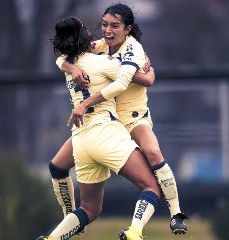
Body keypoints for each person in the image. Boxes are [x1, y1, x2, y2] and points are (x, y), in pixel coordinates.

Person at [53, 3, 188, 235]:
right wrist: (70, 67)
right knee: (57, 167)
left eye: (114, 26)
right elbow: (69, 52)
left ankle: (176, 214)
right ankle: (70, 219)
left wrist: (85, 102)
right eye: (104, 24)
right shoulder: (102, 47)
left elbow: (136, 81)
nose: (107, 30)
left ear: (127, 28)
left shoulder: (133, 50)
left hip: (132, 118)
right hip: (106, 124)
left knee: (154, 154)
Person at [36, 16, 160, 240]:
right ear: (83, 35)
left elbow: (61, 60)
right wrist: (150, 72)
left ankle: (53, 238)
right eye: (85, 27)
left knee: (90, 209)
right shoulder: (104, 63)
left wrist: (71, 67)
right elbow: (136, 78)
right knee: (151, 185)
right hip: (106, 133)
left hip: (81, 140)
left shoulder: (69, 67)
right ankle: (135, 232)